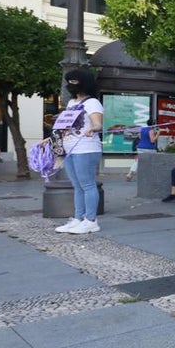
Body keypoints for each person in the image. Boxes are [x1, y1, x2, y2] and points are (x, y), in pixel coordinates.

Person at [54, 68, 106, 234]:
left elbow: (98, 123)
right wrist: (49, 140)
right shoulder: (71, 103)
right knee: (77, 185)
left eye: (75, 81)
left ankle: (91, 221)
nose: (71, 84)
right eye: (69, 81)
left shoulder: (92, 103)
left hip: (86, 148)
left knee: (87, 184)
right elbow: (64, 127)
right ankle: (78, 218)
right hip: (70, 149)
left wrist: (94, 128)